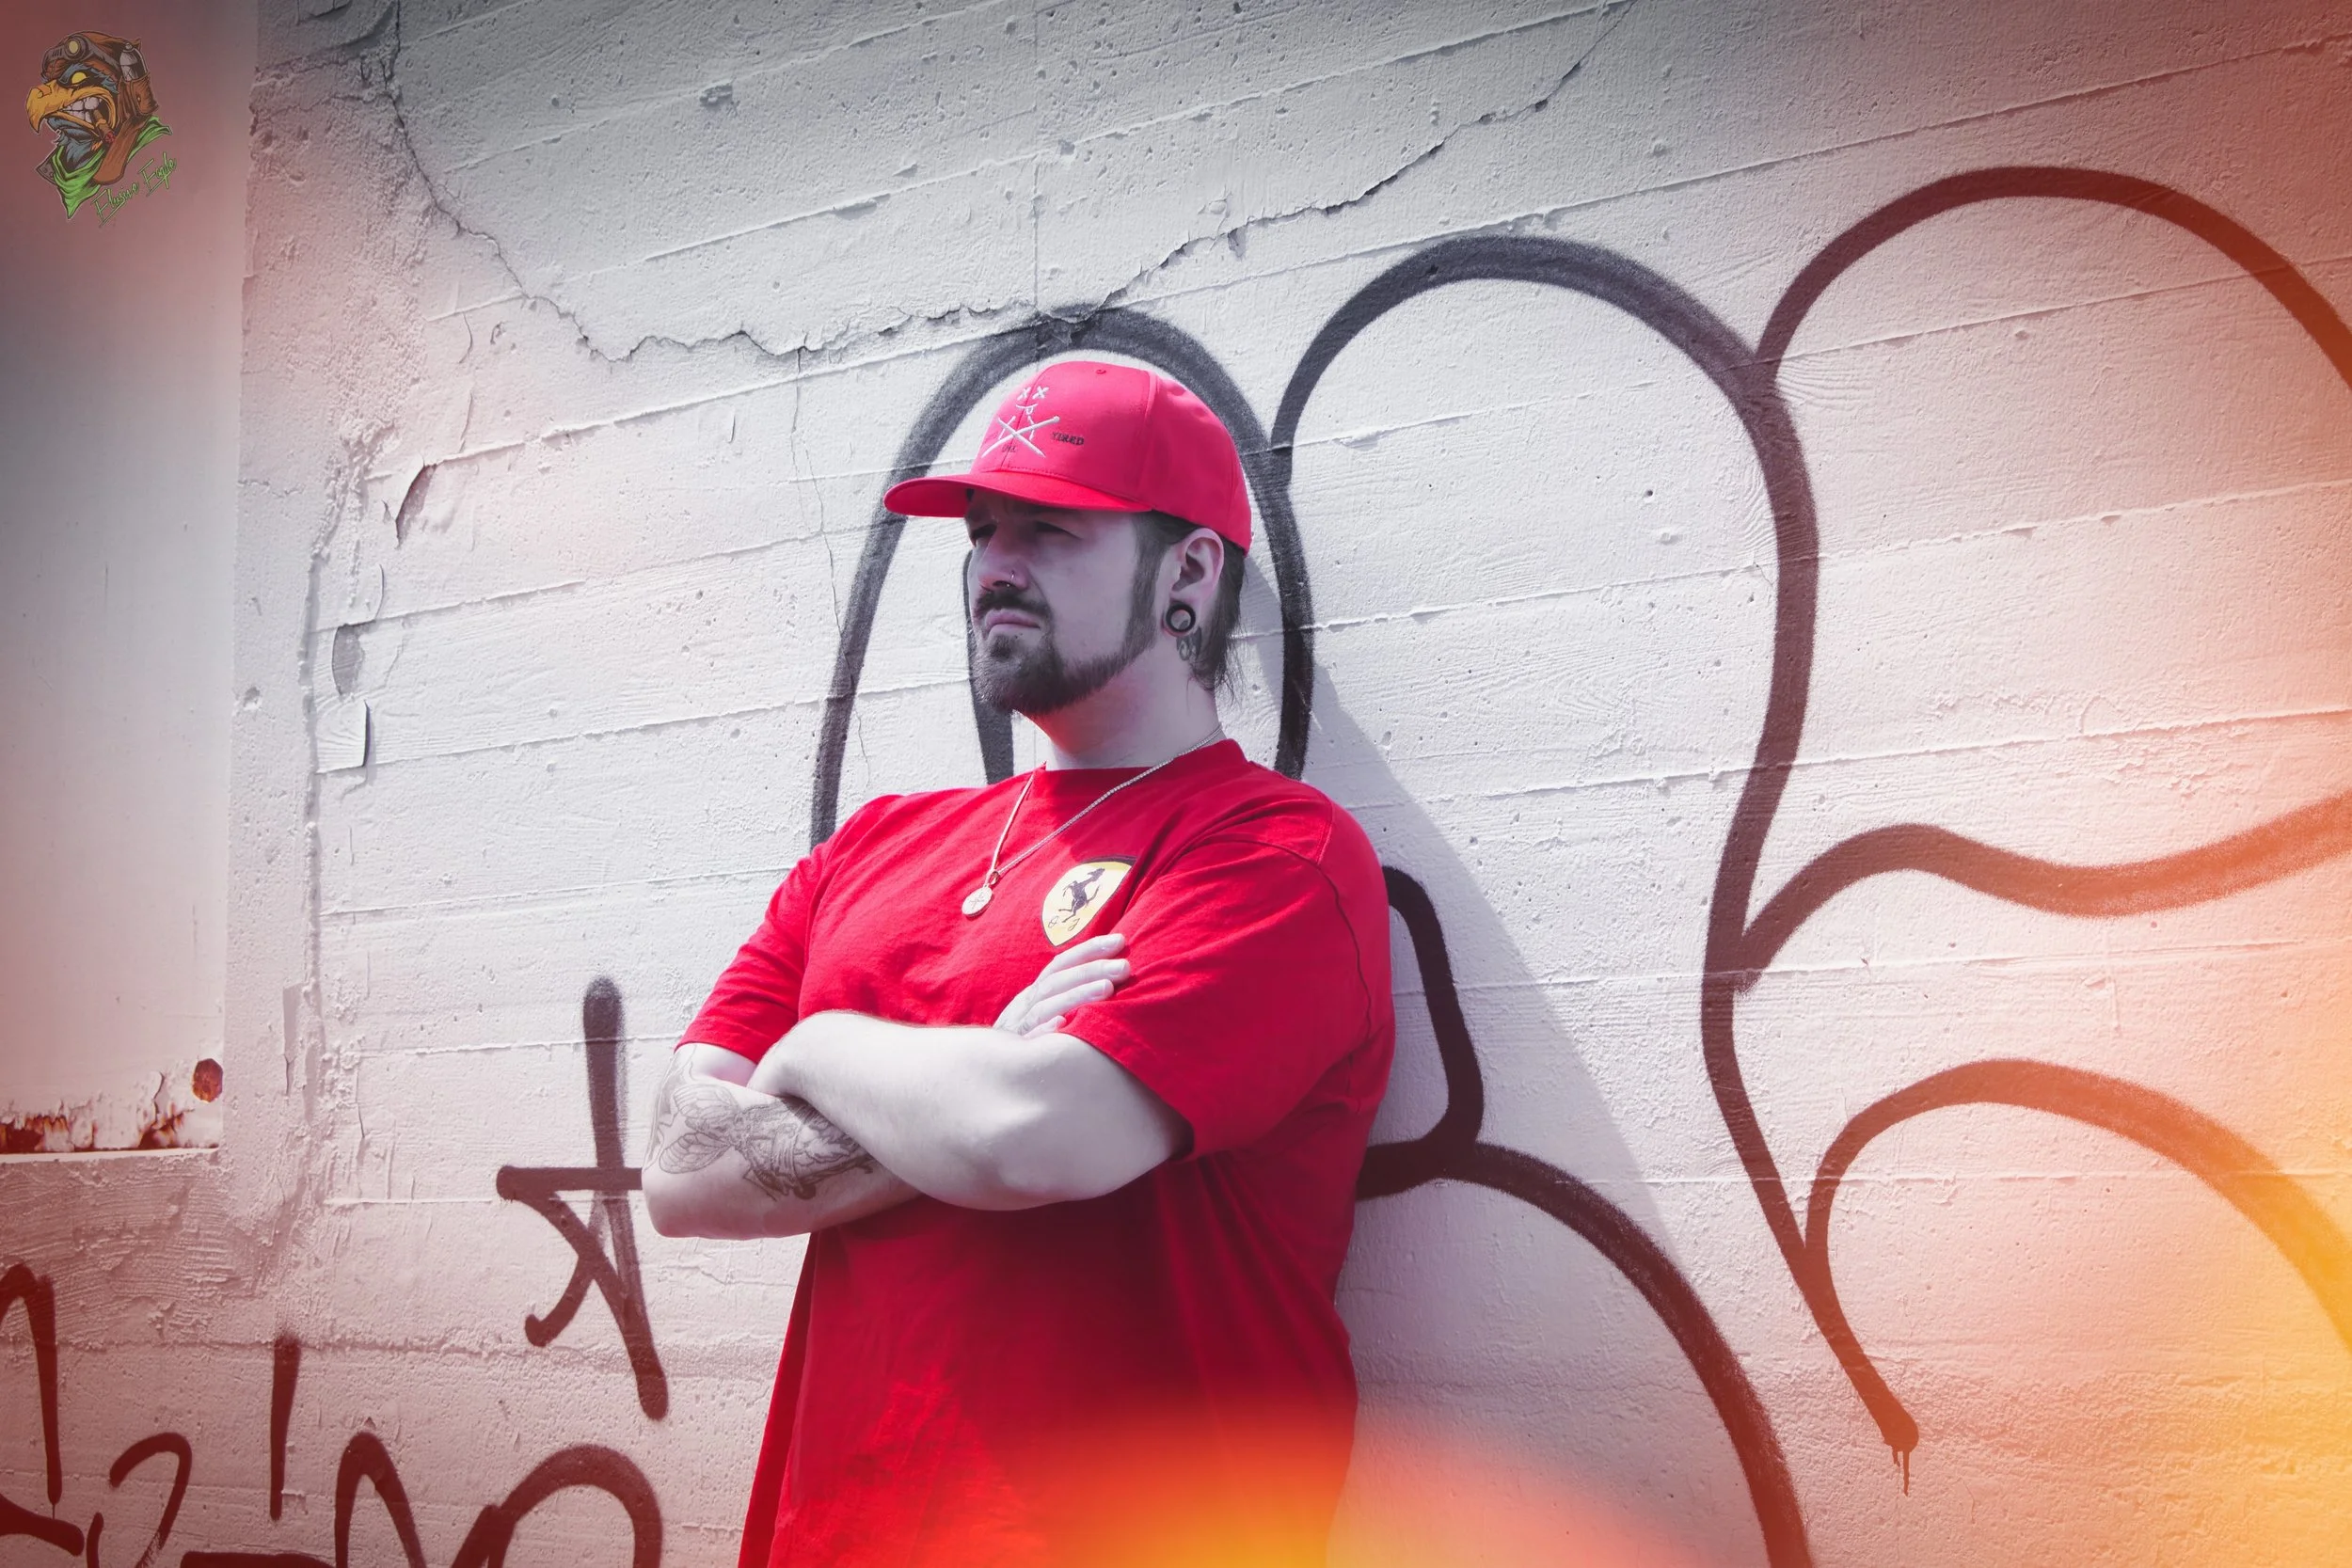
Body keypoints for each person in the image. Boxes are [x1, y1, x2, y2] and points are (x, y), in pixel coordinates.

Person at [644, 359, 1395, 1568]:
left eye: (1049, 528)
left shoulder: (1272, 853)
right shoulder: (870, 847)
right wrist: (981, 1068)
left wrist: (817, 1048)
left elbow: (1040, 1142)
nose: (995, 562)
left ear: (1189, 572)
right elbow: (684, 1172)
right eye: (982, 531)